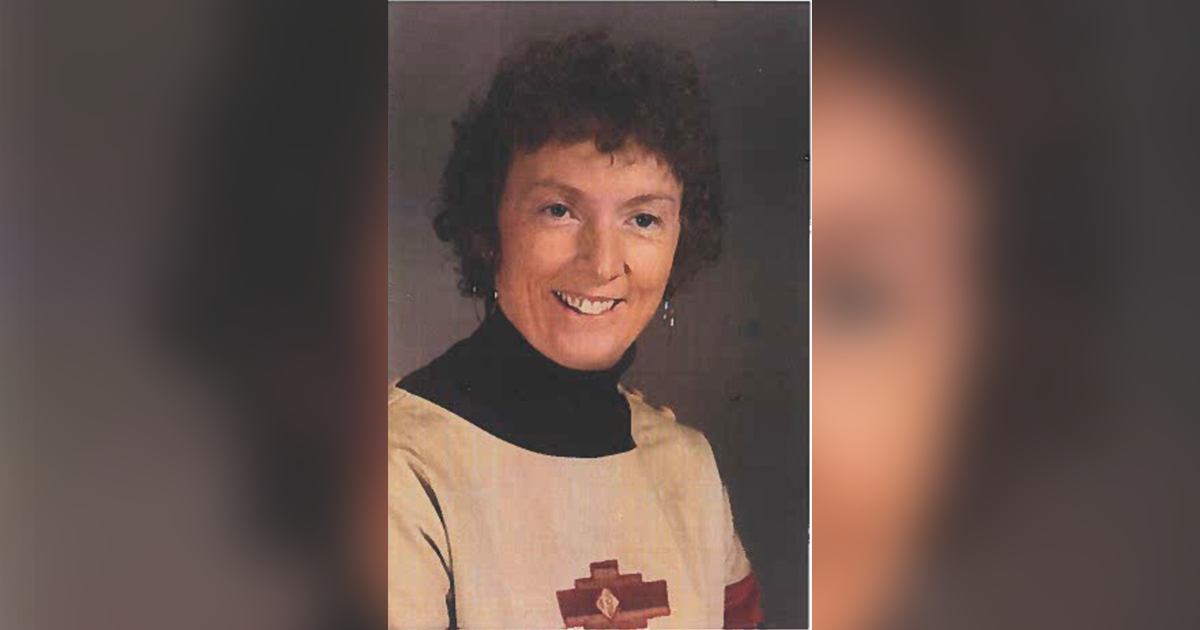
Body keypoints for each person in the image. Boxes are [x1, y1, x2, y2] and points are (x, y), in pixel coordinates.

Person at [388, 30, 762, 629]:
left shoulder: (689, 467)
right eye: (559, 210)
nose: (603, 263)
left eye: (644, 218)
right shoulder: (400, 464)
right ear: (488, 227)